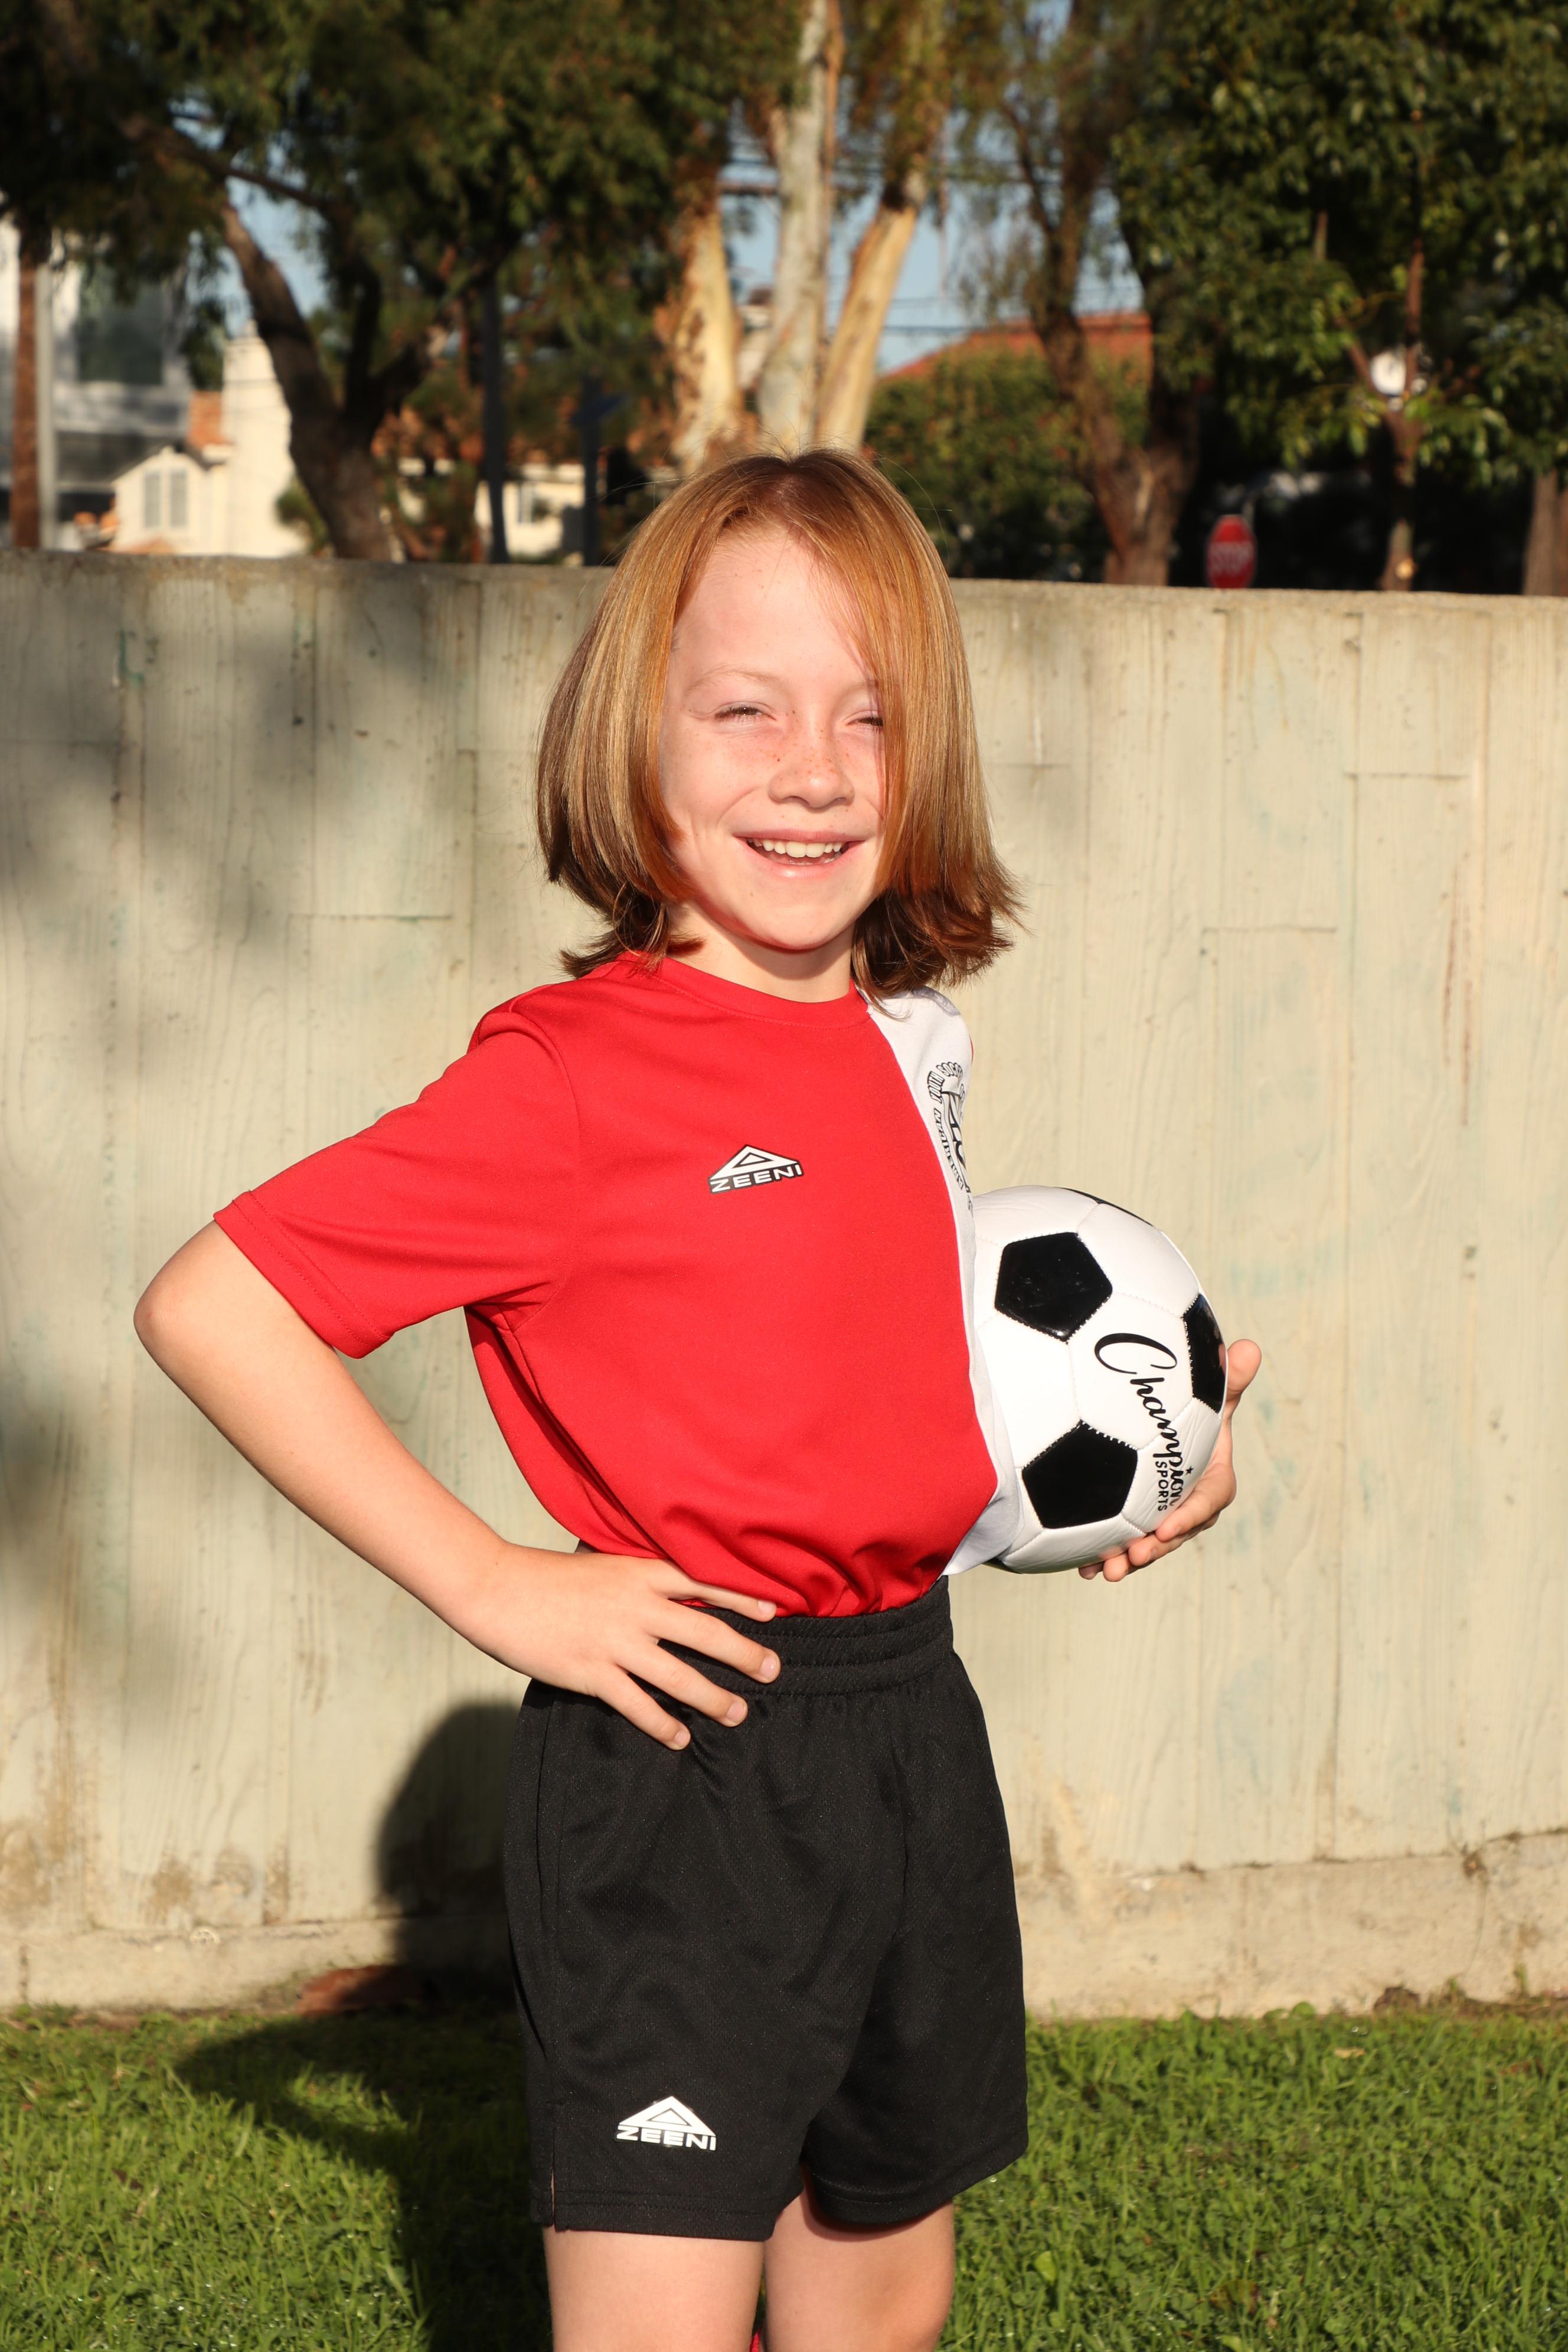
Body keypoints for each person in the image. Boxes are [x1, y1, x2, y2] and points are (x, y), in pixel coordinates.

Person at [136, 450, 1260, 2352]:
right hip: (684, 1758)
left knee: (883, 2289)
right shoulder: (569, 1081)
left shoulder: (909, 1043)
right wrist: (495, 1583)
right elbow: (216, 1303)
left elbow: (857, 1384)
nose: (813, 769)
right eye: (745, 711)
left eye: (869, 716)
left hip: (911, 1725)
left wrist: (1152, 1453)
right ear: (631, 743)